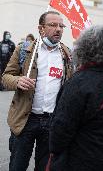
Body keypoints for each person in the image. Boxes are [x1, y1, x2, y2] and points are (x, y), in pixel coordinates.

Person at [48, 25, 103, 171]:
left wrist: (55, 152)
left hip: (82, 161)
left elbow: (60, 131)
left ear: (84, 49)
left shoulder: (79, 81)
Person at [2, 11, 73, 171]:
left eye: (61, 26)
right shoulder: (24, 50)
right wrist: (18, 80)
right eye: (53, 25)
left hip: (52, 122)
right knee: (17, 165)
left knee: (45, 167)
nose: (58, 29)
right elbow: (6, 77)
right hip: (25, 120)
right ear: (41, 28)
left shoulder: (67, 54)